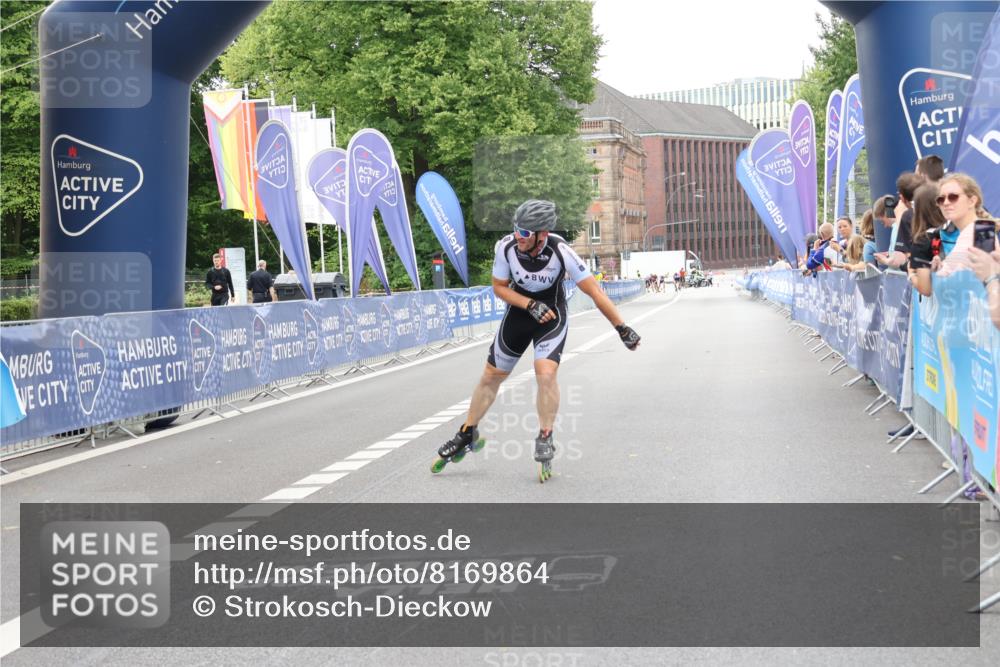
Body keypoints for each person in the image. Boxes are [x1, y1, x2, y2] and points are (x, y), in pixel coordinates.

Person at [432, 200, 641, 479]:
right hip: (520, 314)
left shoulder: (560, 251)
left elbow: (595, 292)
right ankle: (467, 432)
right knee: (491, 375)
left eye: (526, 233)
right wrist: (529, 304)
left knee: (545, 373)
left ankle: (545, 434)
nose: (519, 236)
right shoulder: (506, 248)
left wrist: (622, 328)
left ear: (542, 234)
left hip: (551, 317)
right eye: (517, 229)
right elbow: (499, 288)